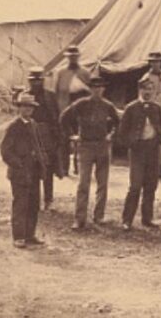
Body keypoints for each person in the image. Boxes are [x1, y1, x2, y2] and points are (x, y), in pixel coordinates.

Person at [59, 75, 119, 230]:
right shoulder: (81, 104)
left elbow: (118, 123)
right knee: (83, 183)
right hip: (85, 146)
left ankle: (99, 216)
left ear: (103, 89)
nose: (97, 90)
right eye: (94, 87)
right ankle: (80, 219)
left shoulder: (108, 106)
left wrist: (111, 135)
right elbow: (64, 118)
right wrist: (71, 136)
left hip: (102, 147)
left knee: (103, 184)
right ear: (90, 89)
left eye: (100, 87)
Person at [117, 76, 161, 230]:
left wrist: (158, 140)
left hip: (152, 150)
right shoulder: (131, 108)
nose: (148, 92)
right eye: (145, 89)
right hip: (137, 151)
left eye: (151, 89)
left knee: (151, 185)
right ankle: (127, 220)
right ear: (140, 90)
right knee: (135, 186)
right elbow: (122, 133)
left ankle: (147, 218)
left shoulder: (157, 108)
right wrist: (133, 144)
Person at [1, 94, 48, 248]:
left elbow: (39, 145)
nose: (28, 109)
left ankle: (30, 235)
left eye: (30, 107)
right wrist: (19, 164)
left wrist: (42, 161)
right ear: (19, 108)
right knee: (21, 204)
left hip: (34, 171)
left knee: (33, 203)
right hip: (20, 172)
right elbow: (6, 151)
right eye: (25, 106)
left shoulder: (33, 124)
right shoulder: (14, 126)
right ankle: (19, 236)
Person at [25, 67, 64, 210]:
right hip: (30, 133)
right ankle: (32, 199)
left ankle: (48, 199)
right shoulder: (25, 96)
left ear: (42, 81)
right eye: (33, 81)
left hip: (47, 134)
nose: (36, 83)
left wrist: (58, 136)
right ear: (29, 81)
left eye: (38, 80)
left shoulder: (50, 96)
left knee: (48, 167)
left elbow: (57, 116)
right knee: (31, 165)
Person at [53, 45, 91, 174]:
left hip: (81, 110)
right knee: (64, 138)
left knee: (81, 138)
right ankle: (64, 167)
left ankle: (78, 167)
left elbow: (91, 92)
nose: (73, 59)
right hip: (65, 108)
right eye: (70, 57)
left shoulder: (85, 72)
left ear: (78, 57)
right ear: (67, 58)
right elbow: (56, 92)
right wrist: (58, 110)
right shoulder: (61, 73)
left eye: (75, 56)